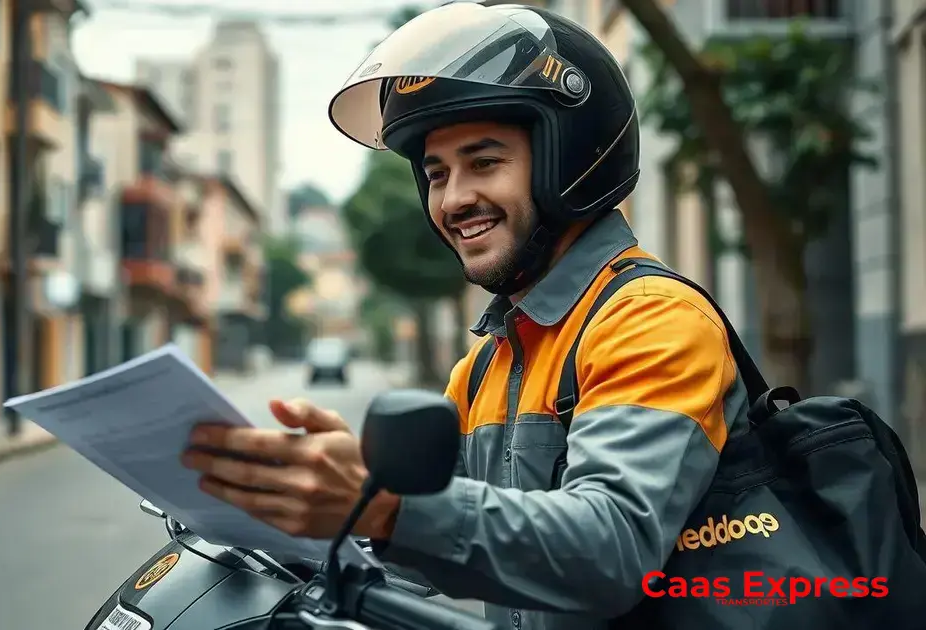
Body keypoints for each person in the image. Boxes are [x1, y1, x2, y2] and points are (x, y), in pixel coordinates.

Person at [180, 3, 749, 629]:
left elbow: (611, 550)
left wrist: (387, 509)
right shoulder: (487, 363)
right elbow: (440, 538)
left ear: (571, 158)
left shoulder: (651, 319)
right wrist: (304, 508)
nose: (453, 200)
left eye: (484, 163)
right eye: (436, 174)